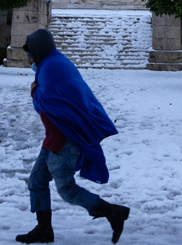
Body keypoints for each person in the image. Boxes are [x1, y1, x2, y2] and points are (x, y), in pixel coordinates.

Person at [16, 29, 130, 244]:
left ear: (38, 51)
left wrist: (33, 92)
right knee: (37, 181)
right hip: (54, 137)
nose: (28, 59)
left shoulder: (52, 68)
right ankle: (44, 229)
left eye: (29, 55)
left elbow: (49, 104)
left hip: (65, 139)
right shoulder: (51, 64)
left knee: (66, 189)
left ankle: (111, 211)